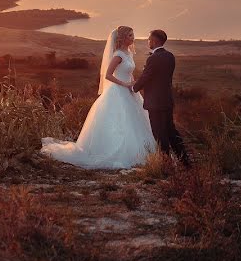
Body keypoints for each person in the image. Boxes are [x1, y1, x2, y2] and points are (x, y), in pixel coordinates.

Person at [40, 26, 155, 169]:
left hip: (129, 90)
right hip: (117, 91)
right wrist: (124, 84)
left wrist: (133, 84)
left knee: (135, 119)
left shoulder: (129, 53)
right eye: (130, 36)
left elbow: (129, 72)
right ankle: (116, 151)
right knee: (119, 120)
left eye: (133, 35)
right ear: (123, 38)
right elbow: (108, 75)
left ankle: (144, 152)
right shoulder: (118, 54)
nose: (133, 38)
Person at [132, 29, 190, 166]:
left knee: (159, 133)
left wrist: (134, 88)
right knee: (171, 131)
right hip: (167, 100)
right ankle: (185, 160)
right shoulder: (170, 56)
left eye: (149, 39)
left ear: (154, 41)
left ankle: (166, 162)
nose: (148, 41)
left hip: (155, 103)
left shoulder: (153, 58)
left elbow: (146, 77)